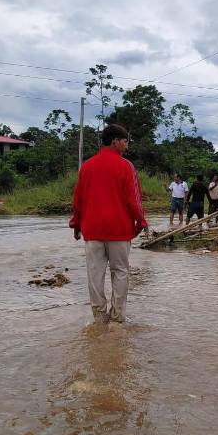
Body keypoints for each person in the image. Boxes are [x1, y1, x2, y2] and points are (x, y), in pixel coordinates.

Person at [69, 123, 148, 325]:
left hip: (92, 229)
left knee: (95, 273)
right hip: (119, 229)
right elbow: (134, 199)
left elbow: (78, 199)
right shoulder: (126, 166)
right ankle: (117, 316)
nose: (126, 146)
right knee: (120, 271)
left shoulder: (87, 166)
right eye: (125, 141)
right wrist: (141, 220)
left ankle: (99, 317)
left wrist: (76, 224)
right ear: (115, 142)